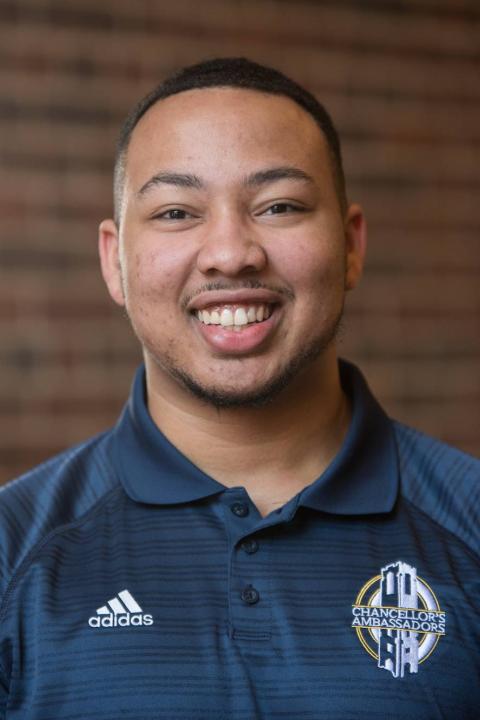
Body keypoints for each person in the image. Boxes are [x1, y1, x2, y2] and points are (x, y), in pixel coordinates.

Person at [0, 57, 478, 720]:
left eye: (279, 205)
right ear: (116, 262)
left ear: (350, 247)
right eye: (176, 211)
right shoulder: (12, 552)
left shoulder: (469, 526)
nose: (230, 252)